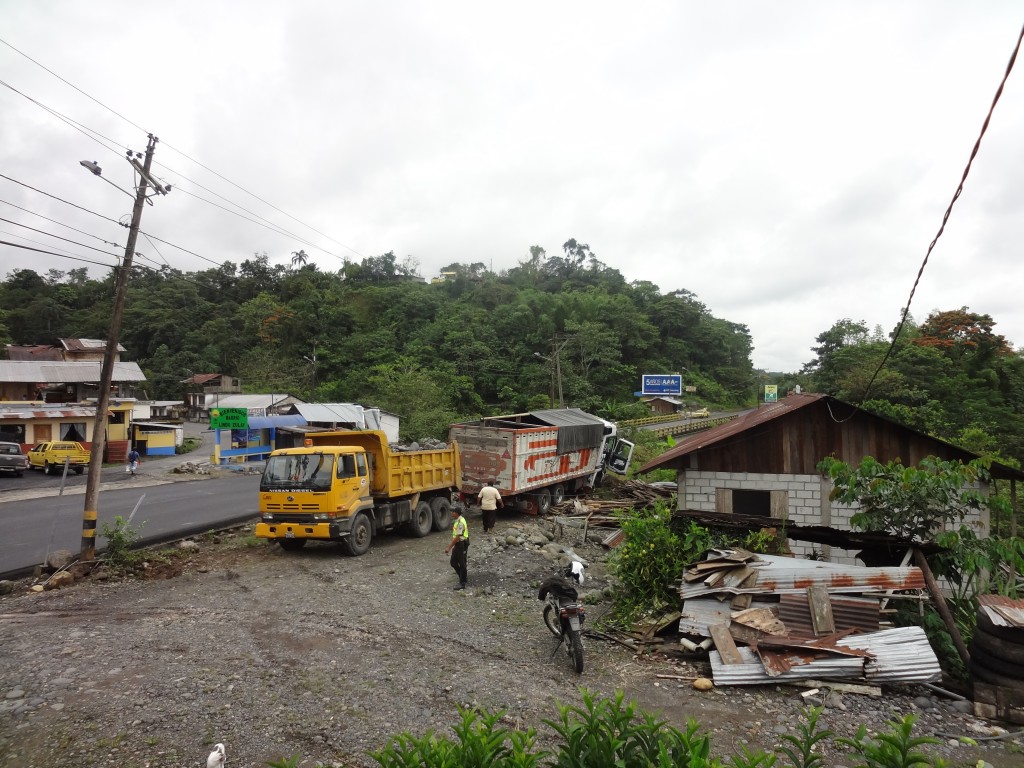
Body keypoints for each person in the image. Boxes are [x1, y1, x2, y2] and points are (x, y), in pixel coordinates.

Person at [445, 503, 469, 590]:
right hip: (458, 544)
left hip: (461, 544)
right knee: (453, 562)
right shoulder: (458, 520)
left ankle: (462, 583)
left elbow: (458, 536)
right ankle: (463, 577)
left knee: (462, 563)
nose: (452, 513)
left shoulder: (460, 523)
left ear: (457, 513)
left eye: (453, 512)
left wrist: (449, 547)